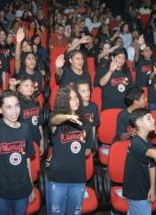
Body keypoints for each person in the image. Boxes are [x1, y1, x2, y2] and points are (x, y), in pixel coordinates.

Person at [0, 91, 36, 215]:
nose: (14, 111)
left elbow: (27, 160)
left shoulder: (25, 128)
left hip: (21, 187)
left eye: (16, 105)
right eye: (8, 107)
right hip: (0, 189)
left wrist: (30, 186)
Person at [46, 86, 94, 215]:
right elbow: (54, 120)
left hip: (78, 177)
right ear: (63, 102)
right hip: (58, 177)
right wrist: (67, 116)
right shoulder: (57, 121)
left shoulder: (87, 124)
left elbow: (88, 151)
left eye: (76, 97)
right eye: (70, 98)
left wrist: (71, 153)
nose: (75, 101)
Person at [9, 78, 44, 155]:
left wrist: (42, 143)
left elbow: (39, 125)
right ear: (19, 89)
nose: (30, 87)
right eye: (26, 85)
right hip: (22, 140)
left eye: (31, 85)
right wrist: (12, 86)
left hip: (36, 139)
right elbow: (10, 97)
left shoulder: (36, 102)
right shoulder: (18, 102)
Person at [75, 80, 100, 149]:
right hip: (76, 139)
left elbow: (93, 126)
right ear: (77, 93)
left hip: (89, 140)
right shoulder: (74, 108)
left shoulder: (94, 107)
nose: (87, 93)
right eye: (83, 91)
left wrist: (92, 143)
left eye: (88, 90)